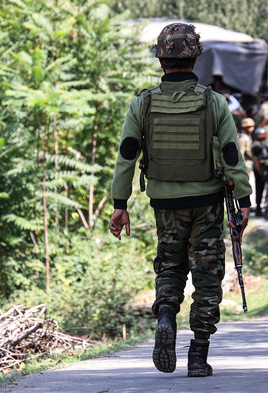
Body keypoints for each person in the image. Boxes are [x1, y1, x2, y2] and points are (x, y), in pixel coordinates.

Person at [108, 23, 252, 378]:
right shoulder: (214, 102)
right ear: (195, 58)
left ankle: (166, 315)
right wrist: (245, 198)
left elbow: (127, 155)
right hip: (206, 201)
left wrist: (120, 204)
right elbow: (232, 155)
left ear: (161, 58)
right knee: (207, 277)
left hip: (165, 203)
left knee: (170, 267)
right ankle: (198, 356)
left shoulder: (142, 103)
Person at [251, 127, 268, 216]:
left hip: (261, 169)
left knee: (261, 188)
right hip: (259, 171)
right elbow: (256, 160)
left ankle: (261, 207)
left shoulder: (259, 144)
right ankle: (258, 208)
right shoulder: (256, 146)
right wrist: (260, 171)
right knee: (259, 188)